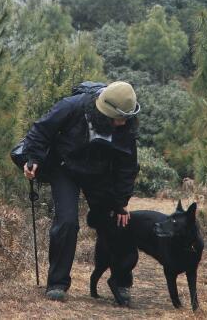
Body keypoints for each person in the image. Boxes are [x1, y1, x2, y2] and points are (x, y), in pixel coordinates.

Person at [23, 81, 140, 302]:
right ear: (104, 112)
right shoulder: (72, 107)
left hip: (99, 174)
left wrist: (121, 201)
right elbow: (41, 130)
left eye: (126, 119)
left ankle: (120, 281)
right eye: (118, 118)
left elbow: (127, 164)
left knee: (116, 220)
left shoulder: (125, 126)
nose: (122, 123)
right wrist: (33, 159)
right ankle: (57, 284)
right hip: (65, 169)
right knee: (66, 221)